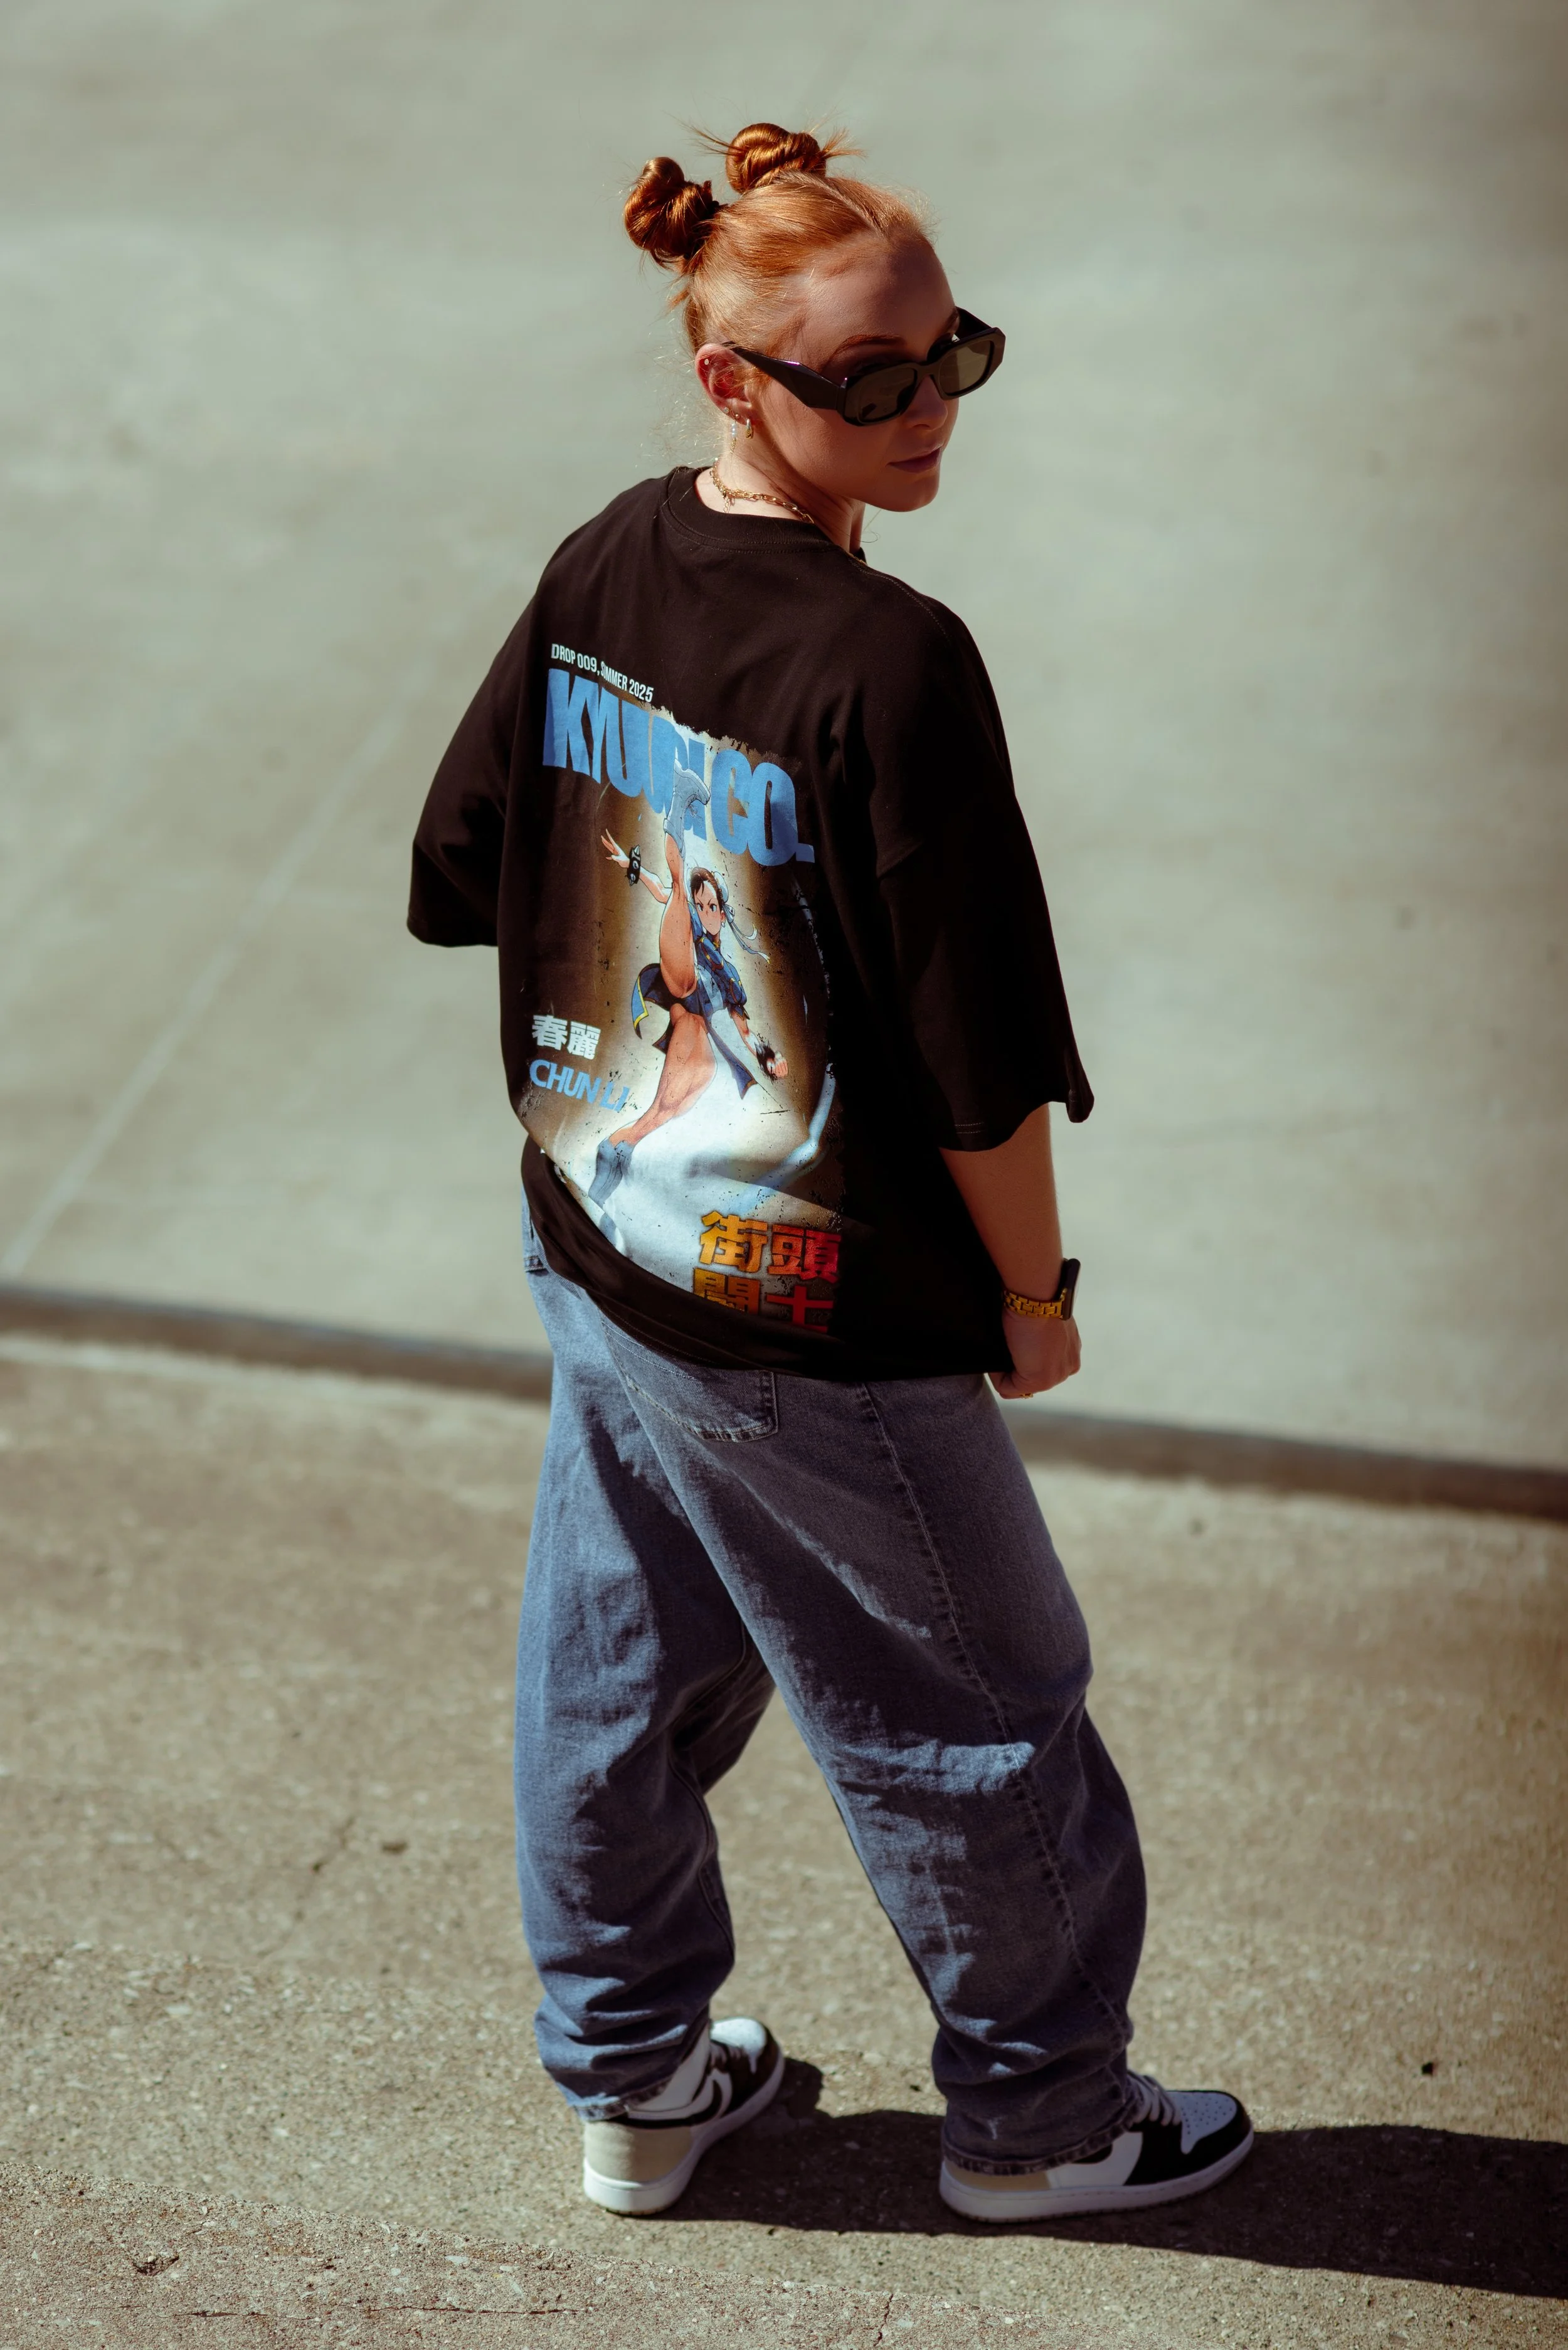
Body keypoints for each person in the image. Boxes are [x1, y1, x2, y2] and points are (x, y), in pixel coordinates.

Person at [408, 120, 1253, 2223]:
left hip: (605, 1234)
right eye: (867, 376)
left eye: (951, 353)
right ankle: (1045, 2125)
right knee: (975, 1707)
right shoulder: (890, 661)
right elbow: (977, 1072)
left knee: (616, 1675)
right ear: (733, 379)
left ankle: (633, 2082)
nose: (925, 403)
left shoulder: (610, 557)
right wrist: (1031, 1305)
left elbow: (464, 860)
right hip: (812, 1311)